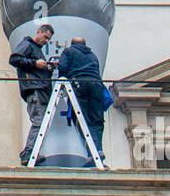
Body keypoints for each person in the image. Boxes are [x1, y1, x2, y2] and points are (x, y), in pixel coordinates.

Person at [57, 36, 111, 162]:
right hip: (96, 86)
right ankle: (98, 149)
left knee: (81, 118)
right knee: (96, 120)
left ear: (72, 44)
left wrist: (62, 83)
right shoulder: (93, 55)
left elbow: (63, 68)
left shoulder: (68, 52)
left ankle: (91, 150)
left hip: (79, 85)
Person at [11, 23, 56, 164]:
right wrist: (35, 64)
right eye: (45, 37)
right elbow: (14, 59)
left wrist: (47, 68)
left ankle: (33, 152)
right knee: (39, 121)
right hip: (35, 89)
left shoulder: (36, 49)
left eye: (48, 39)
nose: (46, 41)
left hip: (41, 89)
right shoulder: (27, 44)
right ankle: (28, 152)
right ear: (39, 32)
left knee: (41, 122)